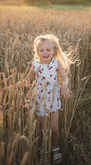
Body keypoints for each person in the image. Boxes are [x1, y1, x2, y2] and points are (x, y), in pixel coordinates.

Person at [23, 34, 72, 164]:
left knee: (54, 128)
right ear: (37, 52)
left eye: (48, 50)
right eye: (41, 50)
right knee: (42, 129)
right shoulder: (35, 65)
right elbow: (26, 81)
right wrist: (11, 87)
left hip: (54, 99)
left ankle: (55, 148)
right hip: (41, 100)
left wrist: (64, 85)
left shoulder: (56, 62)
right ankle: (44, 149)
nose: (45, 52)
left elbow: (65, 78)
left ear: (54, 51)